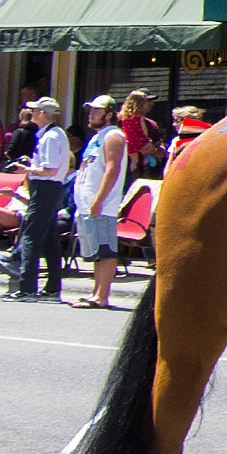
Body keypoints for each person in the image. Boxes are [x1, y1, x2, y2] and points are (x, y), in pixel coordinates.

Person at [5, 97, 72, 302]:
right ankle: (52, 288)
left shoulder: (50, 136)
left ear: (43, 114)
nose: (31, 113)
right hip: (49, 189)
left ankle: (27, 289)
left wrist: (27, 169)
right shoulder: (53, 134)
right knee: (50, 240)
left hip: (45, 188)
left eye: (34, 110)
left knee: (31, 237)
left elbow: (49, 170)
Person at [70, 95, 127, 309]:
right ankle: (95, 292)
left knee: (105, 250)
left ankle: (102, 295)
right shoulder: (96, 137)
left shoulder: (113, 135)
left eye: (96, 111)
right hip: (86, 204)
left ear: (109, 114)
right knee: (96, 253)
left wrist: (98, 200)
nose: (91, 114)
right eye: (90, 110)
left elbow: (113, 169)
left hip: (101, 205)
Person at [3, 86, 42, 167]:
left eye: (23, 94)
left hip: (19, 167)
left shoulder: (19, 132)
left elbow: (9, 153)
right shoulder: (39, 131)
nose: (21, 97)